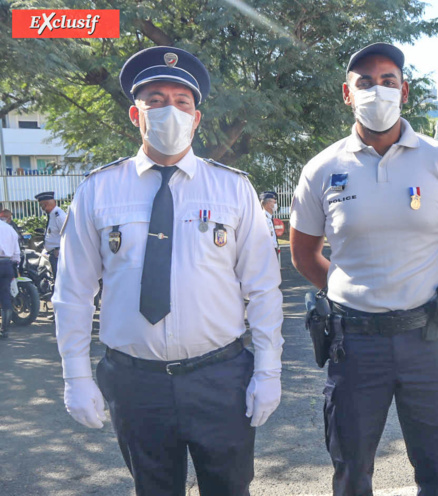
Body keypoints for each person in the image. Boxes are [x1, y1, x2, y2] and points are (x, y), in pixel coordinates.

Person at [53, 46, 284, 496]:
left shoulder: (233, 188)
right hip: (136, 383)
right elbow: (73, 292)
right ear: (135, 115)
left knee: (230, 488)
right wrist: (76, 375)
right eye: (155, 100)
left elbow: (263, 288)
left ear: (197, 118)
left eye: (182, 103)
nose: (170, 111)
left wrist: (269, 370)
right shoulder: (99, 191)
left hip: (220, 377)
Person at [290, 42, 438, 496]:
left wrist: (421, 277)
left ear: (404, 91)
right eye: (365, 82)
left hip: (428, 338)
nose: (378, 90)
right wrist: (351, 288)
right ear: (347, 94)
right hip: (354, 345)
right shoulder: (322, 168)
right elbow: (304, 254)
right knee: (351, 473)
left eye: (388, 81)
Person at [35, 191, 66, 278]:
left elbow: (68, 234)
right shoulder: (52, 215)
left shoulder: (59, 216)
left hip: (59, 255)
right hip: (54, 255)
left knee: (61, 280)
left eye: (41, 205)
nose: (42, 208)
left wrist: (60, 249)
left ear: (46, 204)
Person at [0, 217, 20, 338]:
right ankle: (5, 330)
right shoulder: (9, 228)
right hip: (7, 264)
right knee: (5, 296)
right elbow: (16, 252)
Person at [260, 191, 280, 259]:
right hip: (267, 252)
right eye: (274, 202)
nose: (276, 205)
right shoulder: (262, 219)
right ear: (268, 204)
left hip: (273, 250)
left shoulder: (269, 218)